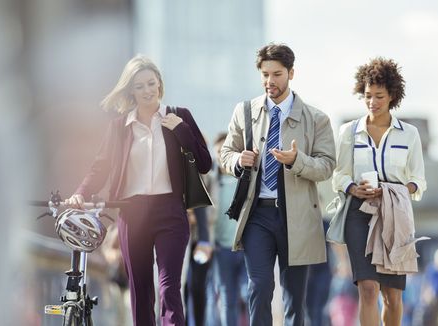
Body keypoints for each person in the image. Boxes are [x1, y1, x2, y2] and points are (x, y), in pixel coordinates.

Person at [65, 54, 212, 326]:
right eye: (139, 86)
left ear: (160, 84)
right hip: (132, 214)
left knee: (168, 287)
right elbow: (100, 168)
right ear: (130, 91)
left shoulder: (179, 117)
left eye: (151, 83)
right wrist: (80, 194)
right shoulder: (119, 128)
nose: (147, 90)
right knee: (140, 291)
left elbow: (205, 164)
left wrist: (182, 132)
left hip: (171, 211)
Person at [219, 43, 336, 326]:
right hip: (256, 213)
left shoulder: (316, 119)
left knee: (295, 296)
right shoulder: (244, 111)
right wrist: (238, 160)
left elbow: (327, 166)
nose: (270, 81)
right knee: (258, 287)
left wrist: (297, 161)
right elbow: (224, 154)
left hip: (297, 217)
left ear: (291, 73)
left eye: (277, 74)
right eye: (265, 74)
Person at [332, 57, 426, 326]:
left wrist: (394, 191)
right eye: (367, 95)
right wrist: (353, 187)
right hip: (358, 213)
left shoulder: (409, 134)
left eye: (379, 96)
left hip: (395, 215)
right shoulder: (348, 132)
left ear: (392, 96)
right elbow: (339, 174)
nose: (372, 102)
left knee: (393, 296)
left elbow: (419, 180)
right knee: (368, 288)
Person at [209, 132, 248, 326]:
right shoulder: (211, 181)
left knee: (249, 293)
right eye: (217, 152)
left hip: (245, 247)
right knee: (227, 297)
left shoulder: (247, 179)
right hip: (221, 249)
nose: (221, 155)